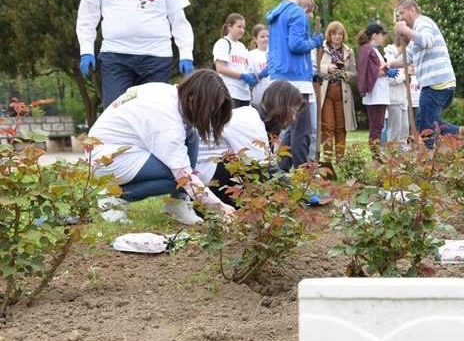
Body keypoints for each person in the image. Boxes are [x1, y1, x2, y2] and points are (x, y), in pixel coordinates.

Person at [88, 69, 234, 225]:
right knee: (176, 177)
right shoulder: (167, 120)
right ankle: (114, 199)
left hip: (124, 149)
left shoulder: (169, 93)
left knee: (191, 136)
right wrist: (220, 207)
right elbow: (183, 176)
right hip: (106, 157)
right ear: (193, 98)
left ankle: (177, 203)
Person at [196, 80, 305, 206]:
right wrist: (300, 190)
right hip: (202, 175)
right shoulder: (252, 122)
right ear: (283, 106)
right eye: (294, 110)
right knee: (250, 172)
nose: (294, 117)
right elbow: (266, 169)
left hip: (205, 171)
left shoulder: (255, 117)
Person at [387, 0, 462, 147]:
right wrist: (388, 64)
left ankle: (430, 157)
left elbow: (427, 41)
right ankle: (459, 132)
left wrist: (405, 30)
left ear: (412, 10)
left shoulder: (423, 23)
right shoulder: (415, 32)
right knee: (424, 121)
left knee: (426, 127)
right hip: (436, 84)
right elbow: (407, 58)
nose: (400, 18)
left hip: (436, 83)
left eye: (402, 13)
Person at [266, 0, 323, 170]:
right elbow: (296, 45)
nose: (311, 1)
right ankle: (302, 175)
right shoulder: (297, 13)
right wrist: (315, 41)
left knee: (291, 130)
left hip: (279, 76)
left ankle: (280, 171)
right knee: (303, 130)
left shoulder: (277, 12)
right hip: (297, 78)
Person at [317, 21, 358, 159]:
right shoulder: (321, 48)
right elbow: (313, 66)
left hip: (342, 93)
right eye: (334, 33)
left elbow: (354, 74)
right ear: (329, 34)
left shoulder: (348, 51)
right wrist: (327, 68)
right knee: (328, 127)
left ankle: (341, 160)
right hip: (326, 92)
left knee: (341, 127)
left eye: (340, 34)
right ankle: (327, 160)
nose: (337, 36)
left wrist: (344, 74)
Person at [357, 23, 392, 156]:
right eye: (382, 35)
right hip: (375, 95)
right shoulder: (368, 50)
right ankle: (375, 156)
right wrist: (387, 70)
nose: (383, 38)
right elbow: (372, 72)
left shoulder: (374, 50)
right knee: (376, 127)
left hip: (379, 94)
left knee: (377, 126)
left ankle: (376, 155)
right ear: (375, 35)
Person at [213, 13, 259, 108]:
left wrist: (251, 76)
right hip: (230, 93)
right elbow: (220, 68)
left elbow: (245, 68)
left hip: (245, 95)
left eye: (244, 27)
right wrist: (242, 76)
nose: (242, 30)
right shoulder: (223, 43)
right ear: (229, 27)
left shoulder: (242, 46)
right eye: (239, 27)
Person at [383, 38, 412, 148]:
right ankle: (391, 157)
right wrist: (405, 74)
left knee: (404, 129)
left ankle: (403, 158)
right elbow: (391, 78)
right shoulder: (388, 56)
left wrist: (406, 74)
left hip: (403, 99)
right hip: (393, 99)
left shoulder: (403, 57)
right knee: (395, 131)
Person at [248, 24, 270, 107]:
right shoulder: (251, 55)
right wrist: (261, 75)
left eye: (268, 36)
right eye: (262, 37)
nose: (266, 39)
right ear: (255, 39)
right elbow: (250, 80)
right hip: (259, 97)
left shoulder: (274, 54)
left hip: (274, 96)